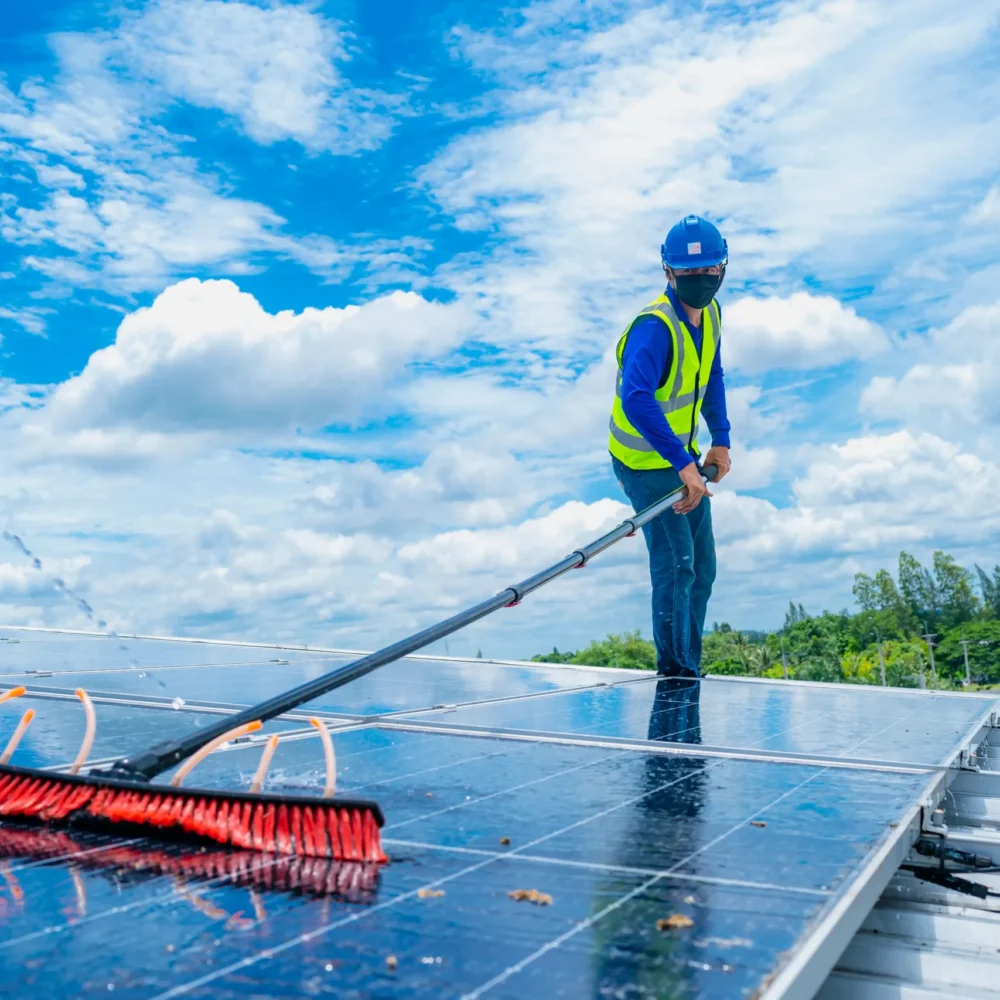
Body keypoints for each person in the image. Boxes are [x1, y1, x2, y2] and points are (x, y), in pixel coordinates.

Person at [609, 214, 731, 678]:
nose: (700, 281)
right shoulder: (654, 328)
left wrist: (720, 440)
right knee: (676, 563)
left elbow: (712, 375)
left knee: (702, 567)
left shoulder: (712, 313)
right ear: (668, 273)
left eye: (709, 272)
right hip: (643, 463)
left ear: (722, 268)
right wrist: (682, 463)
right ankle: (677, 673)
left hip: (683, 460)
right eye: (689, 274)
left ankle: (690, 664)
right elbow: (636, 400)